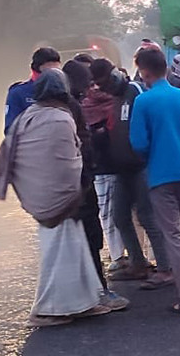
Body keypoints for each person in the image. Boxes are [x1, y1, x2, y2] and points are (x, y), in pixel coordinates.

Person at [3, 69, 111, 327]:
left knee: (73, 252)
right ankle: (48, 309)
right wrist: (73, 191)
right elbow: (69, 162)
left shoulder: (30, 115)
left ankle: (82, 303)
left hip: (47, 197)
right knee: (59, 255)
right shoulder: (58, 118)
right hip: (62, 199)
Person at [129, 49, 180, 315]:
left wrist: (153, 154)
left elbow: (138, 143)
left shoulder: (143, 102)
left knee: (172, 236)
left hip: (160, 175)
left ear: (145, 71)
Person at [89, 59, 172, 285]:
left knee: (147, 217)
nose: (102, 88)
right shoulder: (115, 97)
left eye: (104, 82)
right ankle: (138, 263)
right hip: (123, 168)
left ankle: (165, 268)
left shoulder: (134, 91)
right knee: (120, 216)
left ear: (114, 75)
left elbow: (148, 125)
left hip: (141, 166)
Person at [62, 60, 129, 312]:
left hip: (72, 187)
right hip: (84, 182)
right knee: (92, 236)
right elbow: (81, 147)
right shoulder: (71, 109)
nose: (90, 89)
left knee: (86, 238)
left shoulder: (60, 108)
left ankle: (84, 294)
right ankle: (96, 292)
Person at [5, 47, 61, 133]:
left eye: (56, 72)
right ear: (35, 70)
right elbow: (10, 129)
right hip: (30, 143)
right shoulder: (19, 93)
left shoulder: (64, 93)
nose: (52, 77)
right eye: (47, 72)